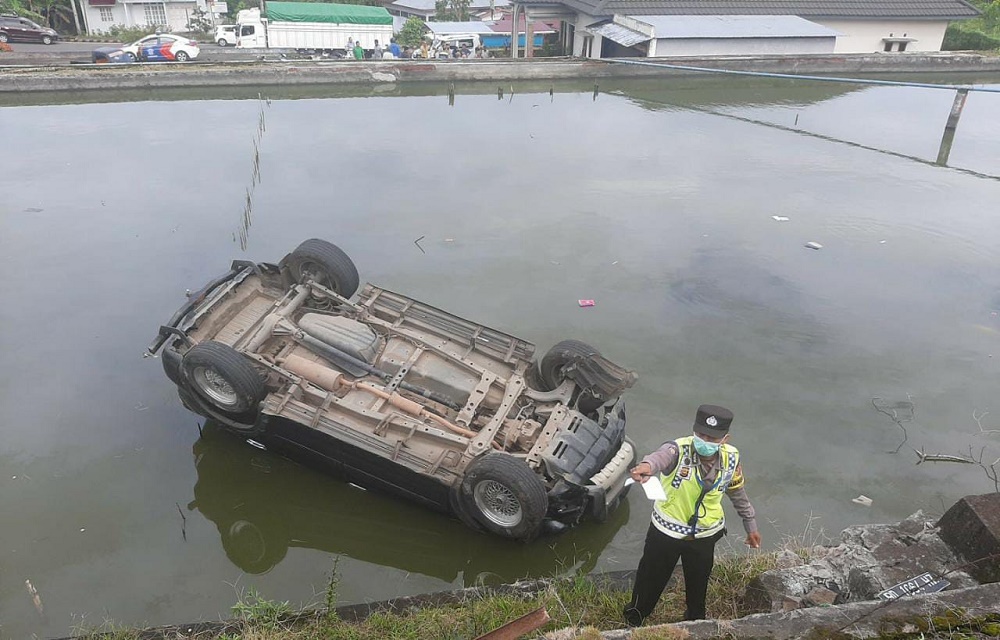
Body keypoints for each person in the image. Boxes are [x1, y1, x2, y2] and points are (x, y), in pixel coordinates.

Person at [623, 405, 761, 627]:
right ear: (694, 430)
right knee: (650, 579)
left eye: (712, 438)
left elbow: (737, 492)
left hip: (705, 535)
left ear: (725, 439)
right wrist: (646, 466)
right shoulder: (678, 449)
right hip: (666, 533)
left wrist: (750, 524)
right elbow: (659, 458)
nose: (704, 441)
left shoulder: (731, 458)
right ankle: (634, 619)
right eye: (700, 434)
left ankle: (695, 623)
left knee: (698, 582)